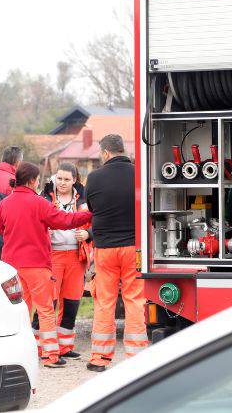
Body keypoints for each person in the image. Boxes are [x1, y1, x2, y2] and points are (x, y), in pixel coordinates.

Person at [0, 161, 92, 369]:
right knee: (45, 309)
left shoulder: (6, 203)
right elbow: (64, 221)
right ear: (33, 181)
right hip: (37, 264)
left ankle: (22, 353)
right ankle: (51, 355)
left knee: (22, 310)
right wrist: (90, 214)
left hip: (12, 266)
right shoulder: (39, 203)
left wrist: (12, 231)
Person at [83, 134, 148, 372]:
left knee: (104, 301)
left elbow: (91, 207)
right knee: (134, 300)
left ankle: (100, 358)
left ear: (106, 153)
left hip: (105, 249)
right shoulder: (139, 174)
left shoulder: (94, 177)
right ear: (122, 150)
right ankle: (136, 357)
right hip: (133, 248)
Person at [41, 162, 91, 360]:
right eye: (59, 178)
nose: (62, 183)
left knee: (71, 303)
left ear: (74, 181)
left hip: (76, 257)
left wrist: (88, 233)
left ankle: (65, 347)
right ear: (54, 177)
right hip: (52, 256)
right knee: (49, 303)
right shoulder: (44, 197)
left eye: (66, 179)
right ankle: (43, 347)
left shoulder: (84, 199)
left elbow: (97, 221)